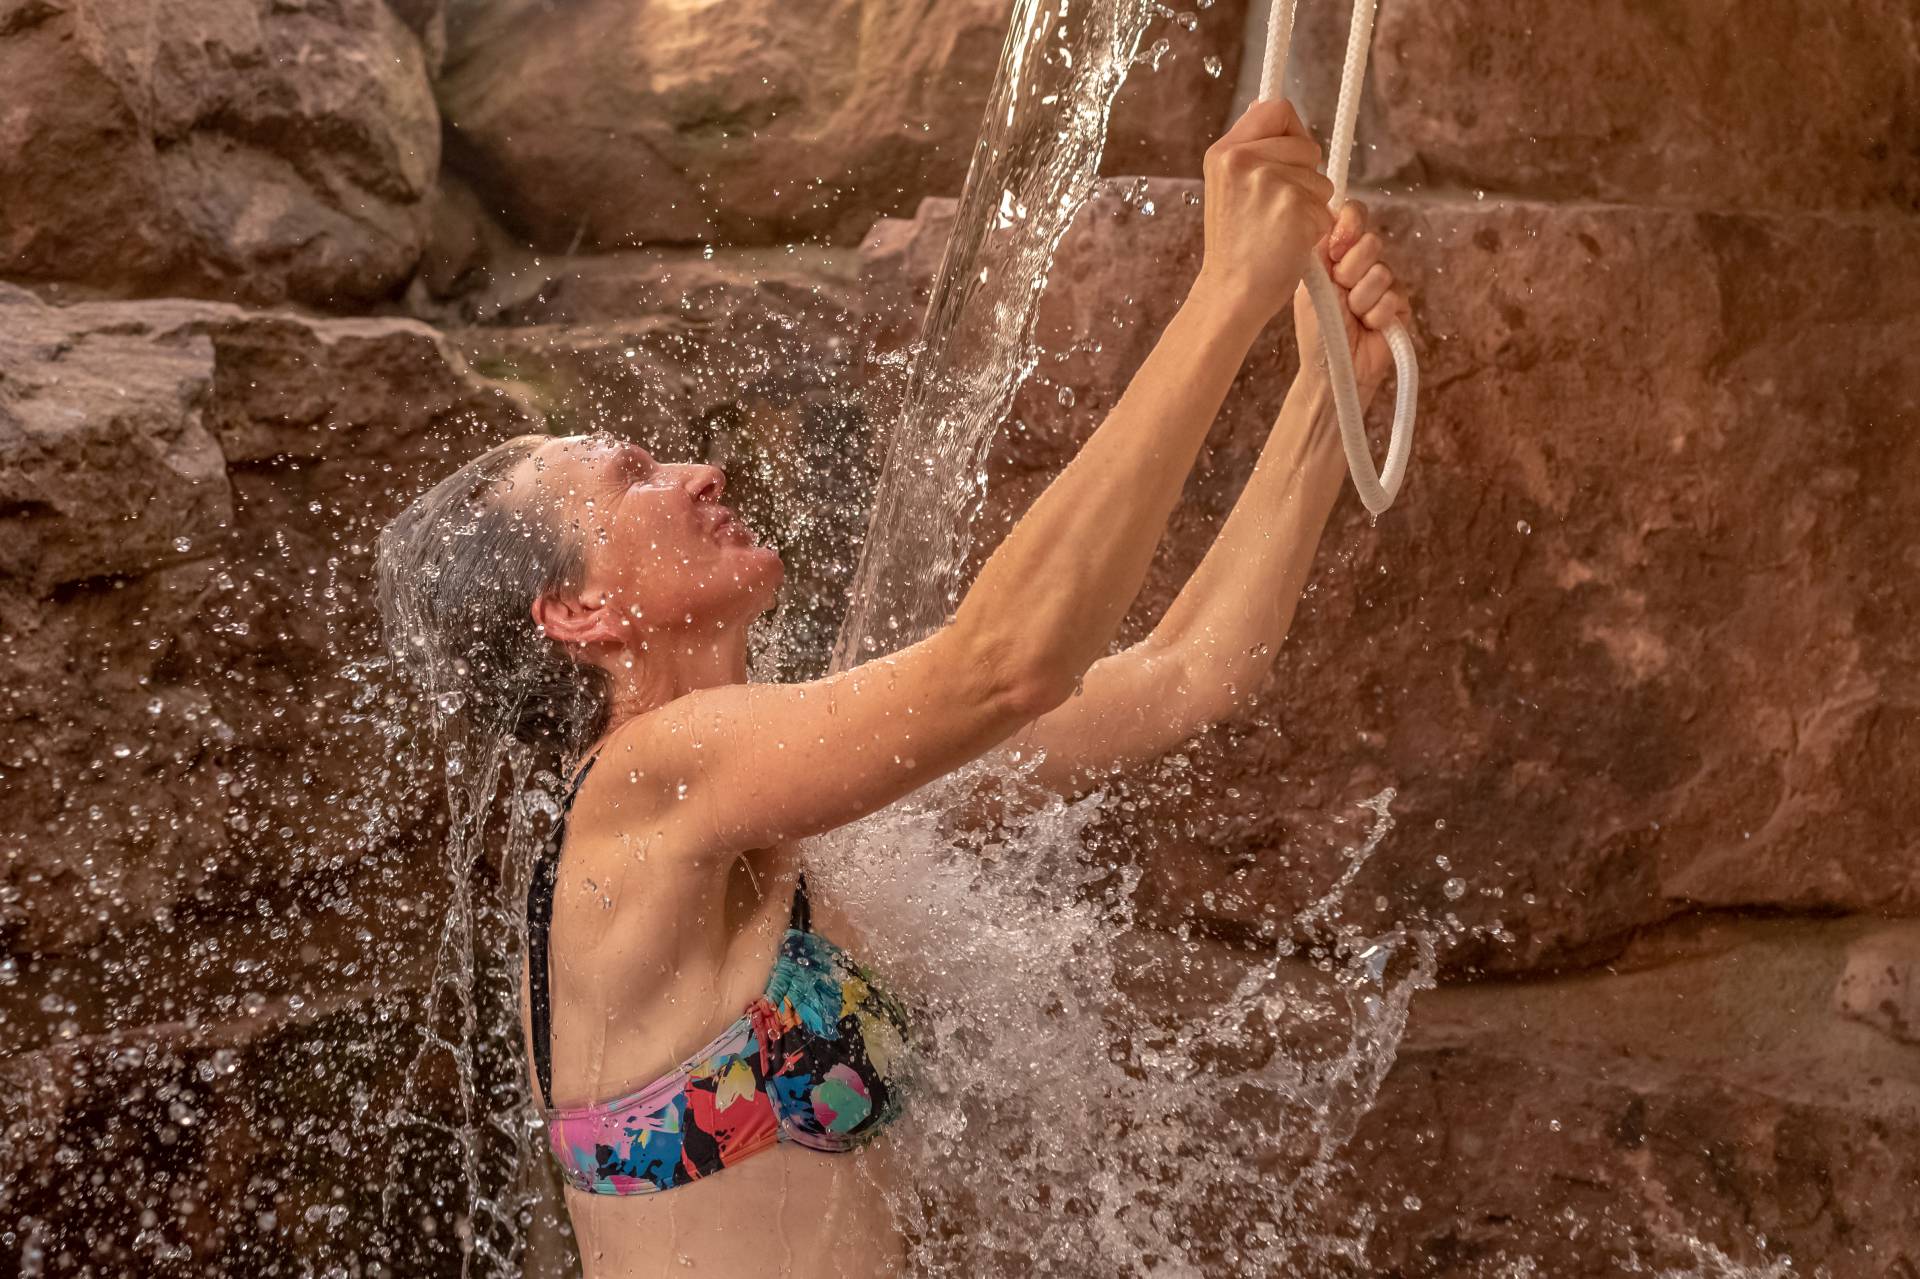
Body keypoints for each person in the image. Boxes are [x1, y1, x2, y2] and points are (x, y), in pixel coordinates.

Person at [376, 97, 1414, 1279]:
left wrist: (1332, 396)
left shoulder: (775, 785)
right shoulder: (642, 782)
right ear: (579, 614)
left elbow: (1187, 677)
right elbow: (1008, 659)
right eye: (635, 473)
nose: (699, 468)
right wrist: (1227, 291)